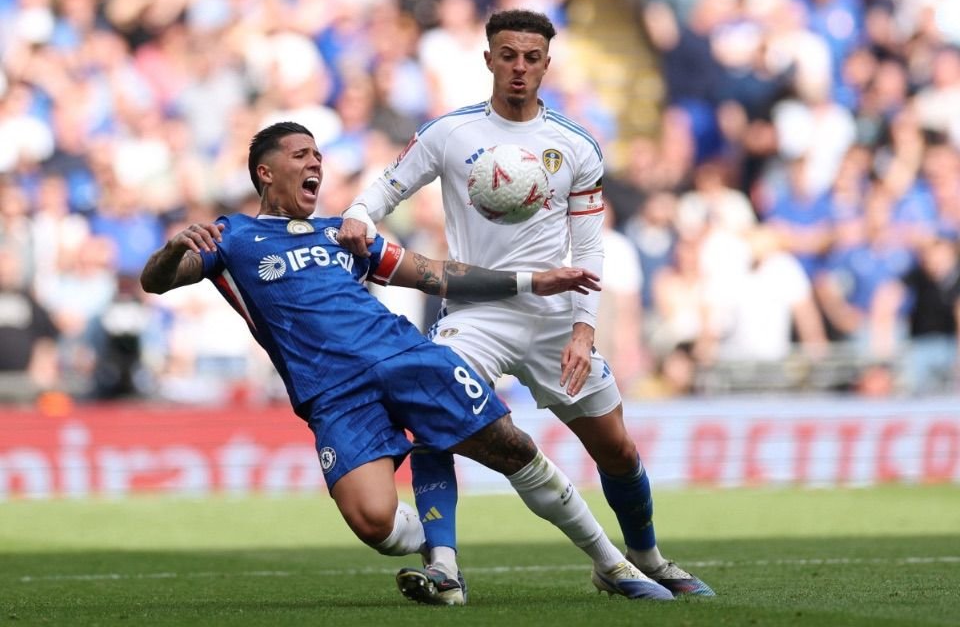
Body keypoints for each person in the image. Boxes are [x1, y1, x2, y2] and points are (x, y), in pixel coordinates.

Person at [140, 121, 676, 605]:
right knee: (373, 522)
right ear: (266, 171)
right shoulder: (231, 238)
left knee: (511, 448)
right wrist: (173, 247)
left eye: (318, 156)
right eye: (301, 155)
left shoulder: (342, 233)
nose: (315, 164)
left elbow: (433, 274)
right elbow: (157, 280)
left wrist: (532, 281)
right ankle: (442, 560)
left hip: (404, 356)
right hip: (332, 394)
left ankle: (612, 563)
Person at [338, 9, 714, 603]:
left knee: (615, 447)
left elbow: (589, 247)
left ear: (546, 63)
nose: (519, 67)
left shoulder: (575, 145)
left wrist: (586, 330)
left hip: (554, 318)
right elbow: (387, 186)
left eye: (531, 57)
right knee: (436, 426)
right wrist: (359, 214)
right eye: (508, 55)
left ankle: (646, 557)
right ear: (488, 59)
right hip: (472, 316)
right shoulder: (449, 133)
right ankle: (444, 568)